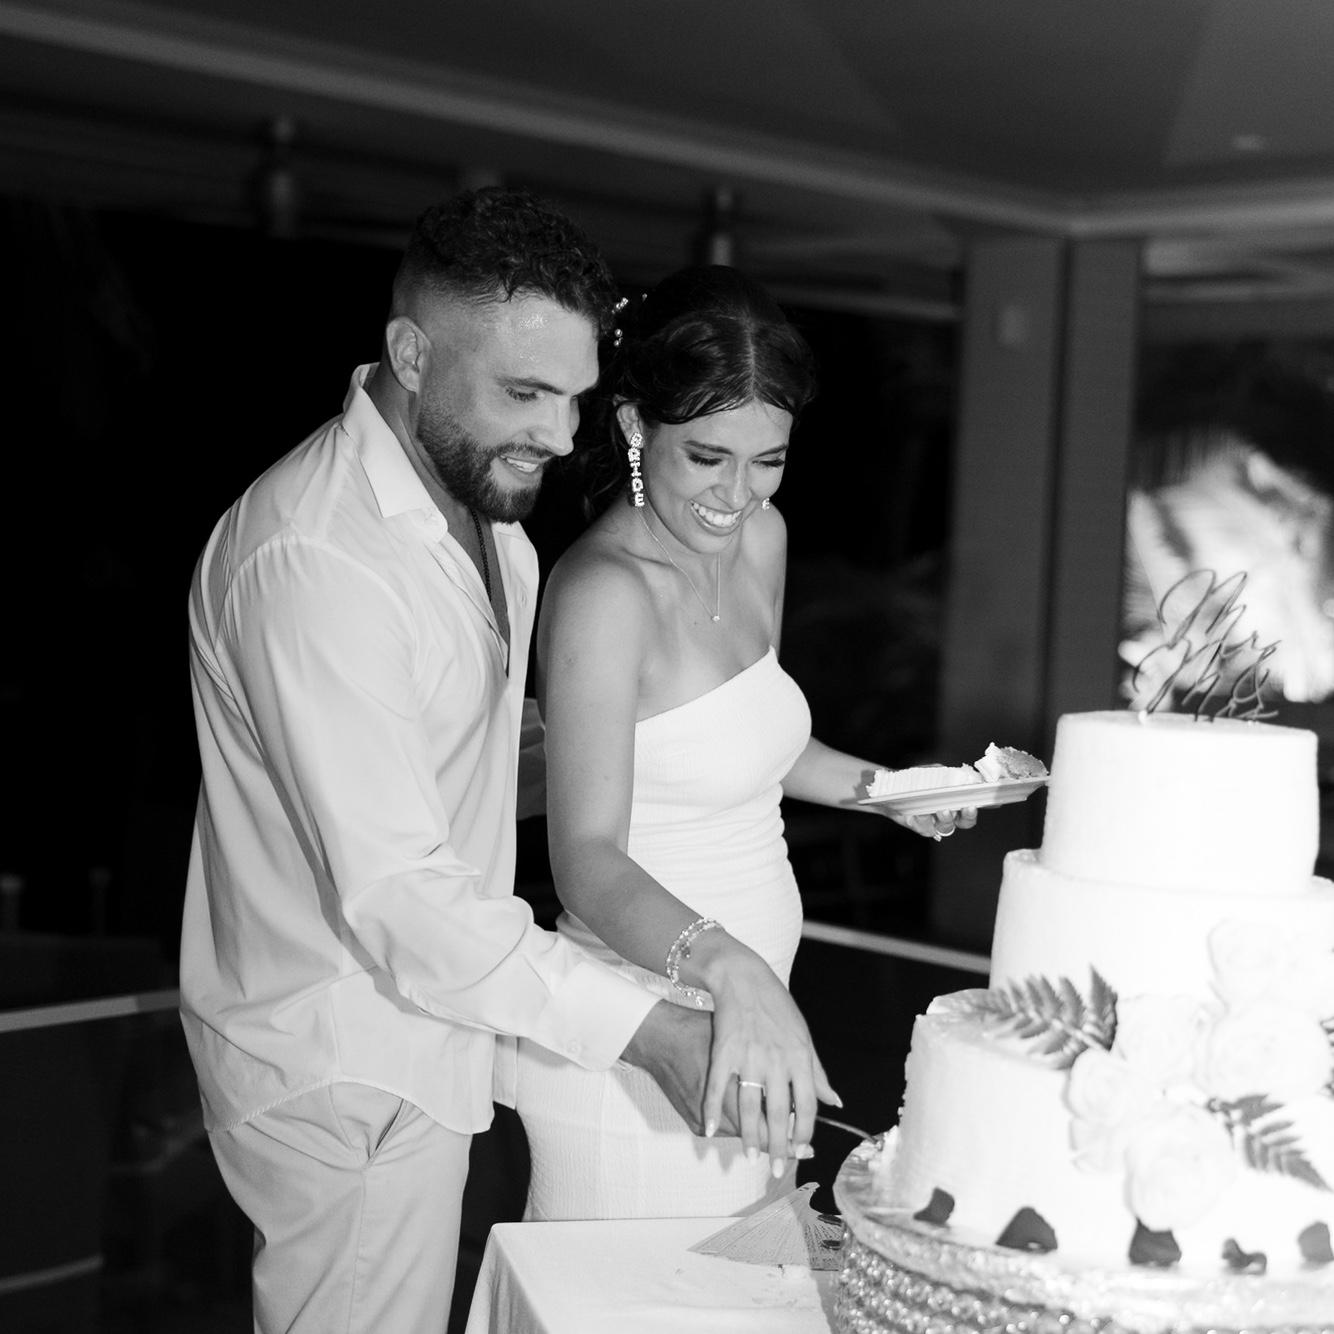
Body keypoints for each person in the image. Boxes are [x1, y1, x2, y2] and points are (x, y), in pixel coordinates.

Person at [178, 190, 736, 1334]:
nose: (560, 434)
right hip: (344, 1058)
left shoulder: (492, 522)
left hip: (424, 1033)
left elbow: (455, 758)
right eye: (523, 392)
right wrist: (649, 1029)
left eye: (574, 396)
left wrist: (658, 755)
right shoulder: (318, 561)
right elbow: (399, 894)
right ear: (410, 353)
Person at [514, 264, 977, 1221]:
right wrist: (730, 967)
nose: (736, 494)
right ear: (636, 425)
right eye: (707, 457)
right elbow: (585, 859)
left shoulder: (761, 540)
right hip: (646, 1038)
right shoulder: (605, 594)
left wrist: (892, 790)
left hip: (760, 1024)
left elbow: (748, 745)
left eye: (767, 460)